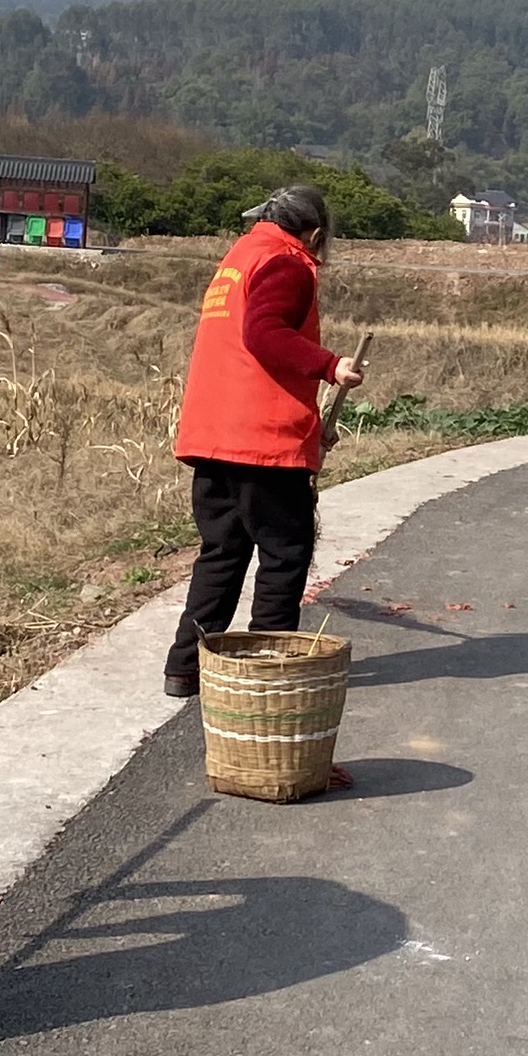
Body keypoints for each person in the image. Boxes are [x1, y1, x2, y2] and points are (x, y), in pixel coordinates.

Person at [166, 184, 365, 701]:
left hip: (213, 434)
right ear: (316, 233)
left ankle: (185, 668)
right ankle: (266, 670)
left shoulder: (240, 257)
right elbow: (265, 334)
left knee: (223, 553)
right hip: (260, 442)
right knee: (285, 552)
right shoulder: (287, 264)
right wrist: (330, 366)